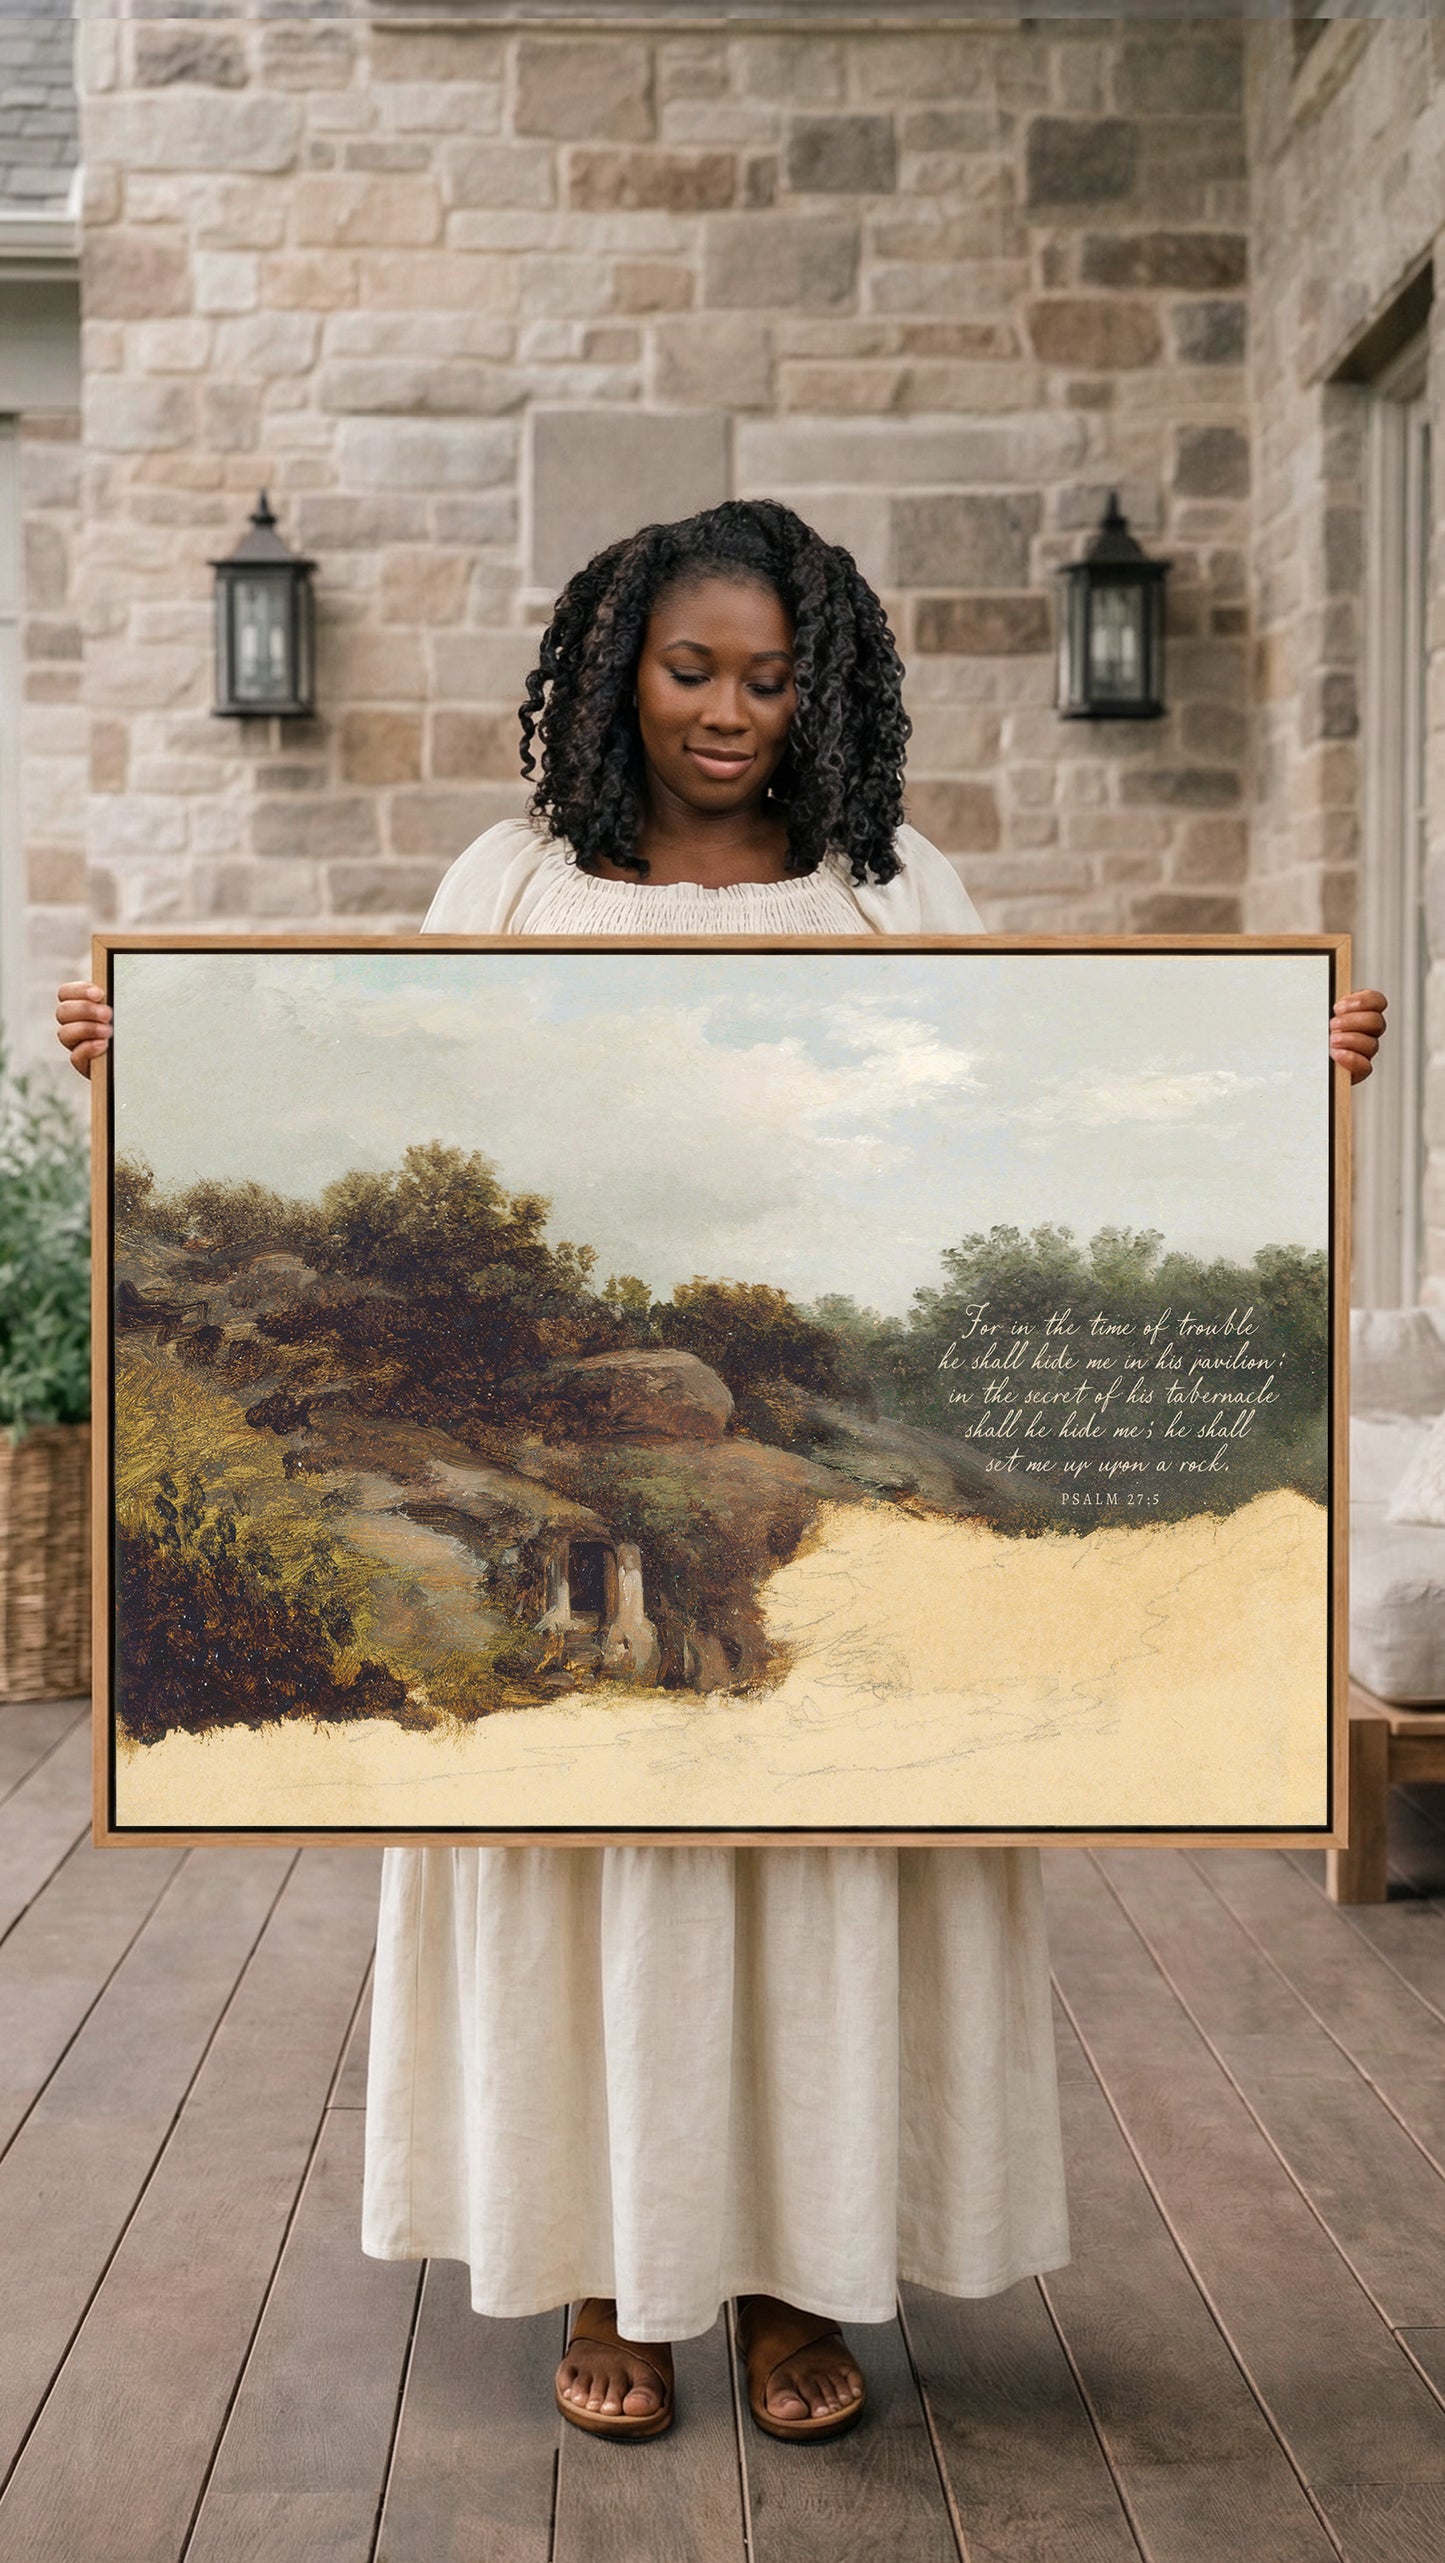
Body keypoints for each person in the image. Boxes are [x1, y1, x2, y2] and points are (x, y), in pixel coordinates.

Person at [60, 497, 1387, 2447]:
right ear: (618, 669)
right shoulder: (509, 886)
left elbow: (1013, 1128)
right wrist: (144, 1064)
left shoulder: (890, 893)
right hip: (558, 1448)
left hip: (813, 1513)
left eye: (769, 679)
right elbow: (351, 1121)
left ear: (818, 685)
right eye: (692, 670)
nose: (728, 713)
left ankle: (793, 2277)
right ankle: (610, 2268)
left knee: (823, 1877)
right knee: (594, 1879)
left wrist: (1278, 1081)